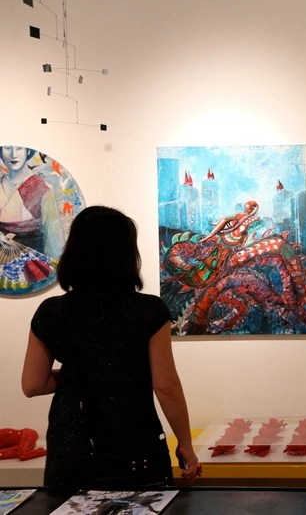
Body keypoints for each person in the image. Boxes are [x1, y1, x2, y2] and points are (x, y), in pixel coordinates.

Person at [21, 205, 201, 488]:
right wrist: (185, 443)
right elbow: (166, 386)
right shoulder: (149, 310)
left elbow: (33, 384)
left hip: (72, 447)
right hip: (134, 448)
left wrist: (78, 375)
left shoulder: (51, 311)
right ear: (127, 254)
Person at [0, 146, 63, 257]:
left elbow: (53, 236)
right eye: (7, 148)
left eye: (19, 148)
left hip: (33, 260)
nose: (13, 155)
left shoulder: (43, 188)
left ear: (28, 151)